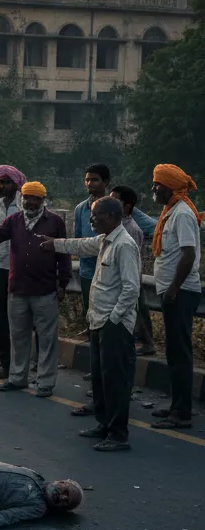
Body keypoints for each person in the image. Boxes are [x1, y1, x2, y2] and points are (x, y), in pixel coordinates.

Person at [38, 197, 140, 452]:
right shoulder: (105, 239)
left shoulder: (124, 245)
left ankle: (118, 434)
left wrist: (113, 319)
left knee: (115, 381)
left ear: (110, 216)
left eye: (95, 215)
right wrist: (55, 244)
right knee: (101, 378)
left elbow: (131, 289)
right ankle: (104, 424)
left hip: (113, 324)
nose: (91, 219)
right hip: (98, 320)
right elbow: (82, 245)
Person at [0, 181, 69, 398]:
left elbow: (63, 252)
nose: (30, 202)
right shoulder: (15, 220)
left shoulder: (54, 221)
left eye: (35, 198)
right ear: (23, 199)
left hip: (45, 290)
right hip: (18, 289)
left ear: (42, 200)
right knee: (18, 336)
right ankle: (18, 377)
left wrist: (63, 283)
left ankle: (45, 382)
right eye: (27, 198)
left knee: (46, 339)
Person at [148, 164, 202, 430]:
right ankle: (175, 405)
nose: (153, 189)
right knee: (173, 350)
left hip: (180, 292)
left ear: (169, 186)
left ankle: (182, 413)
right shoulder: (170, 211)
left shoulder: (181, 214)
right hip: (173, 290)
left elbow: (188, 255)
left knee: (179, 352)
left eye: (158, 184)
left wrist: (173, 288)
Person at [0, 164, 26, 379]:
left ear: (16, 183)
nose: (3, 186)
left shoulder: (24, 204)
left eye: (7, 182)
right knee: (0, 317)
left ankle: (23, 363)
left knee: (20, 316)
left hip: (20, 266)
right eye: (0, 182)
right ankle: (5, 362)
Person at [110, 185, 157, 356]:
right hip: (119, 278)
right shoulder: (115, 225)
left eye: (114, 200)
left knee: (137, 312)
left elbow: (131, 258)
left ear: (127, 206)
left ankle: (147, 342)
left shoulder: (132, 229)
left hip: (129, 278)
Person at [74, 164, 111, 320]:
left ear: (106, 182)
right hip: (87, 269)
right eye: (87, 180)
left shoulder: (115, 206)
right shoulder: (81, 209)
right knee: (89, 310)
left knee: (107, 312)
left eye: (94, 180)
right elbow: (77, 239)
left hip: (109, 268)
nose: (90, 183)